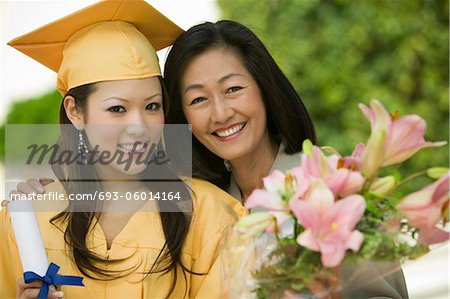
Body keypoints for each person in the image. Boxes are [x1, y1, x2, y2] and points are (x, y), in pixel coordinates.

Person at [11, 19, 409, 298]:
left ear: (264, 88)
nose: (220, 114)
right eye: (198, 99)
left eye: (233, 89)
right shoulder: (203, 198)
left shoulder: (330, 185)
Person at [0, 2, 245, 299]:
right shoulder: (27, 219)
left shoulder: (211, 215)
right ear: (75, 112)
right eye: (117, 109)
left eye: (152, 106)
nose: (139, 127)